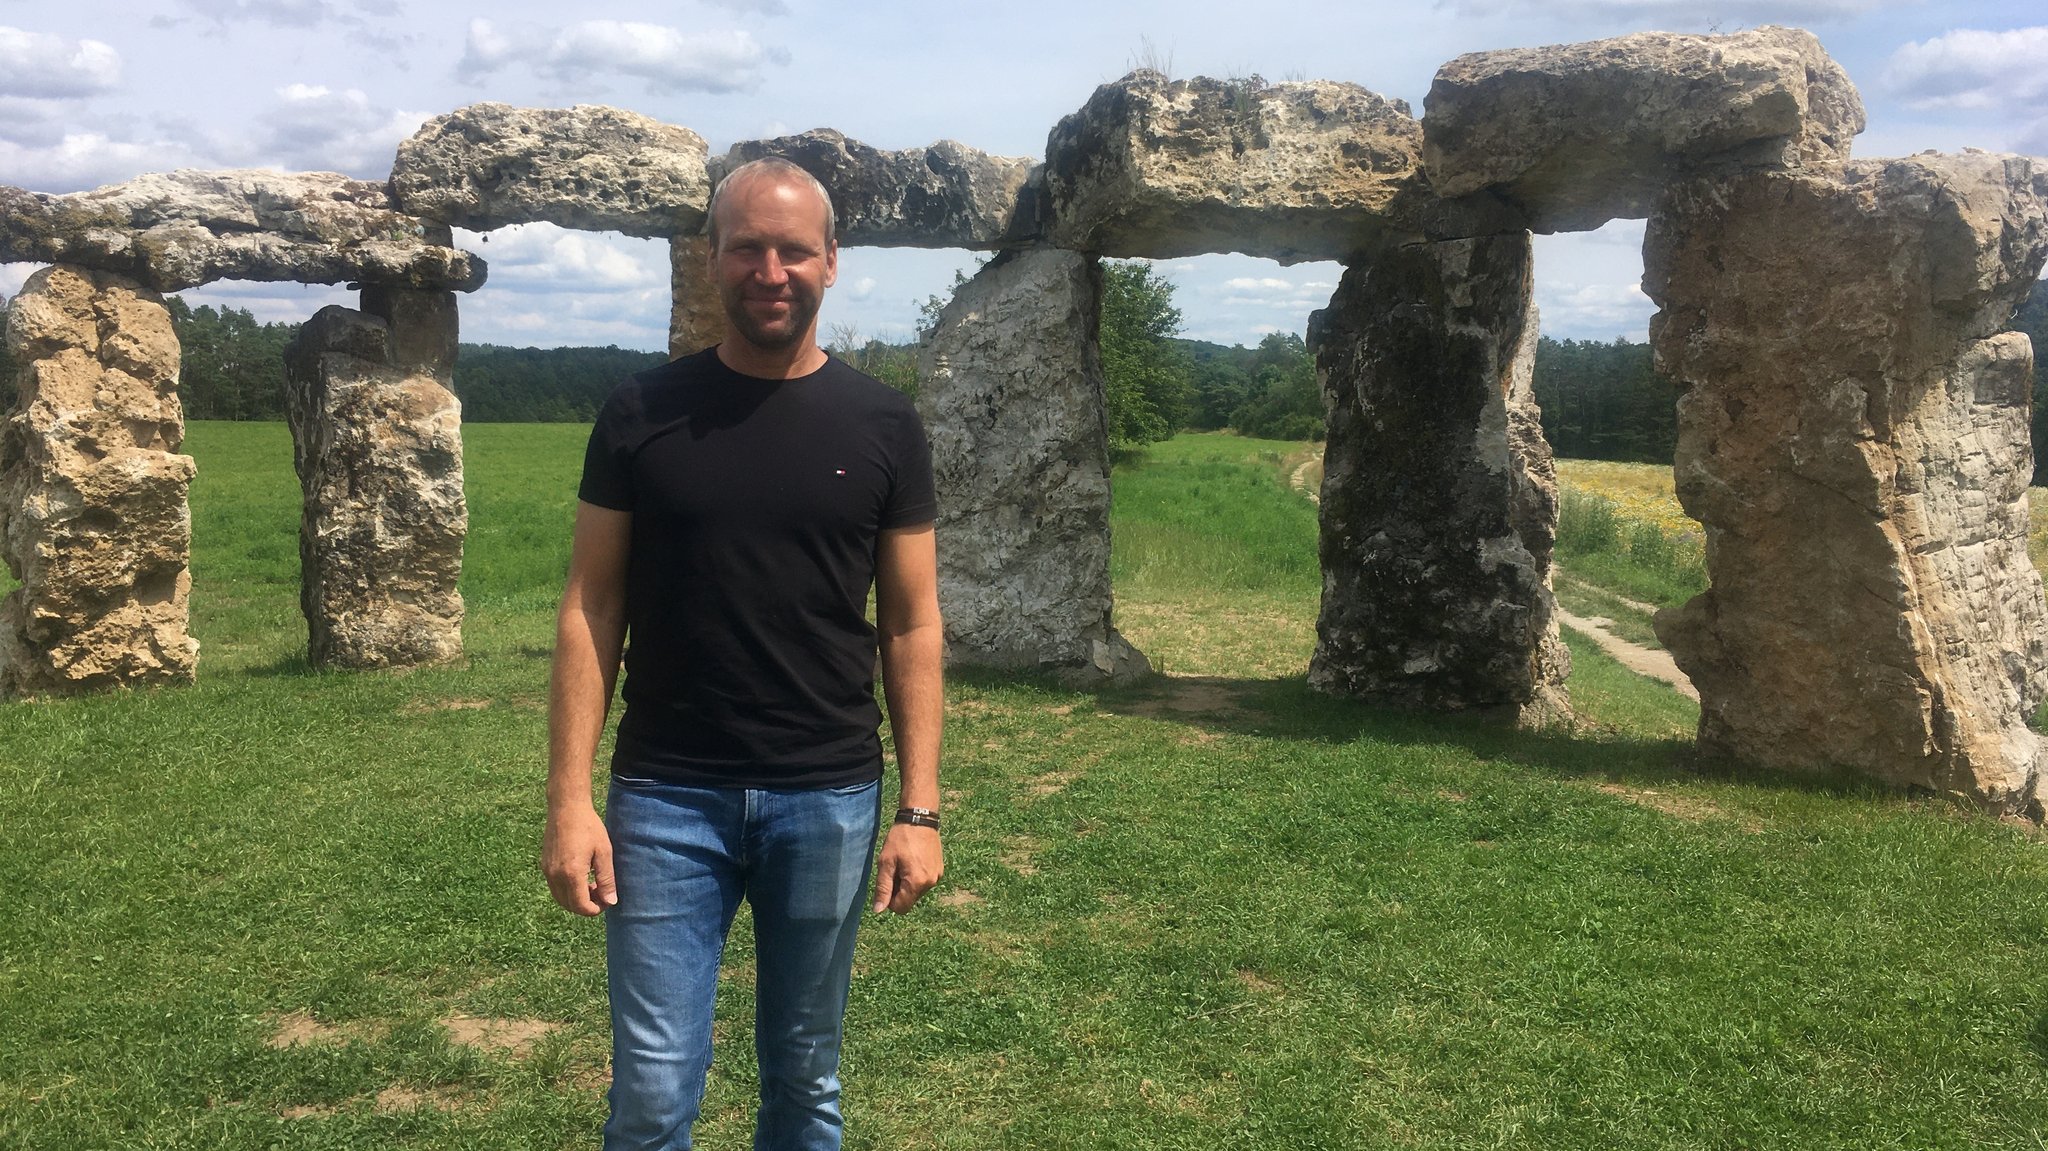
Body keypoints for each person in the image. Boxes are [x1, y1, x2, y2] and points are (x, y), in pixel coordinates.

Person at [541, 156, 944, 1151]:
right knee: (650, 1092)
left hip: (829, 792)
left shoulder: (884, 422)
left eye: (793, 249)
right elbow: (592, 603)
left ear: (831, 263)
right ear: (711, 259)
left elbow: (911, 620)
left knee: (805, 1077)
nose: (771, 270)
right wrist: (568, 797)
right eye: (747, 247)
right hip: (666, 793)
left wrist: (920, 808)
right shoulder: (640, 412)